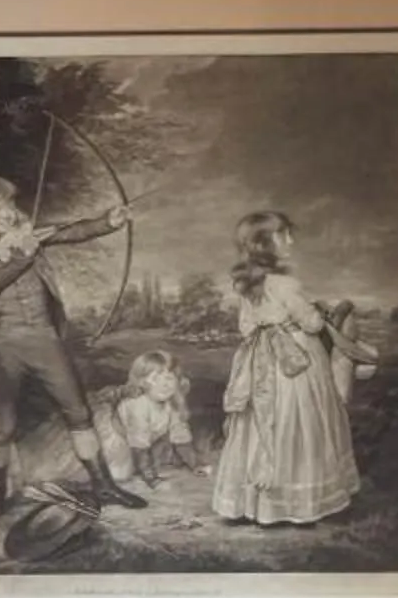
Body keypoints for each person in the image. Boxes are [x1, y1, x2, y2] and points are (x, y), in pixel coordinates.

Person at [0, 175, 146, 516]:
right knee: (4, 425)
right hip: (4, 346)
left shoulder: (28, 234)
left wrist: (109, 222)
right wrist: (21, 257)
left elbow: (71, 230)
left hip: (45, 340)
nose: (7, 214)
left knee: (79, 412)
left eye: (10, 205)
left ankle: (104, 487)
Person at [212, 211, 363, 528]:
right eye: (284, 235)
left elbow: (245, 327)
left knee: (262, 426)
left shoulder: (247, 285)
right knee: (302, 421)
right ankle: (299, 501)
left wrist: (270, 327)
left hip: (262, 363)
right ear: (264, 243)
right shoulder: (285, 283)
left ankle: (255, 503)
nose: (291, 240)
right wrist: (316, 313)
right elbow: (311, 323)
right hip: (295, 361)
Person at [114, 349, 198, 483]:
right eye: (155, 379)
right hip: (119, 437)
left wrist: (194, 464)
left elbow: (180, 433)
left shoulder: (173, 403)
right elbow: (139, 441)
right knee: (120, 474)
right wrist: (149, 475)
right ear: (141, 382)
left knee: (168, 458)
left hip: (146, 439)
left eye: (169, 378)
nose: (164, 384)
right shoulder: (138, 405)